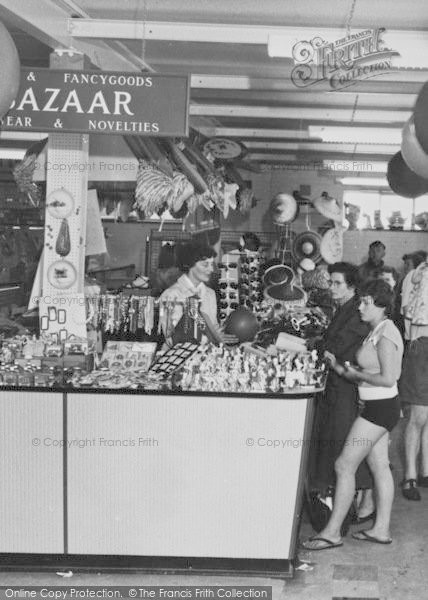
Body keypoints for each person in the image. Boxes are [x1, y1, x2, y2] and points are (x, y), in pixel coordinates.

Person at [303, 279, 403, 550]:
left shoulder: (386, 334)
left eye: (366, 302)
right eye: (360, 301)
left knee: (343, 465)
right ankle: (380, 530)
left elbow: (389, 377)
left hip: (379, 410)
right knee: (379, 466)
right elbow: (368, 374)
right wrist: (338, 367)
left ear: (381, 305)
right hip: (376, 407)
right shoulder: (376, 329)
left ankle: (332, 533)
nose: (360, 307)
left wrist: (355, 373)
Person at [308, 262, 373, 522]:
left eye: (337, 283)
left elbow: (339, 348)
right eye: (330, 282)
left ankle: (348, 505)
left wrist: (321, 345)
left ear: (352, 286)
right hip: (337, 384)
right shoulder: (344, 309)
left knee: (342, 443)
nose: (331, 287)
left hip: (346, 387)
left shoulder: (355, 314)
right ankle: (348, 501)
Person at [158, 241, 237, 347]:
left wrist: (223, 335)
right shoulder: (170, 295)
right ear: (189, 265)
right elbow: (170, 338)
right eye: (205, 265)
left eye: (212, 264)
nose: (211, 269)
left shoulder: (210, 294)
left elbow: (213, 327)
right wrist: (211, 336)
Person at [400, 257, 428, 501]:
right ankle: (409, 474)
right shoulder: (416, 275)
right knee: (418, 416)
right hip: (422, 346)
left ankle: (425, 471)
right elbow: (406, 314)